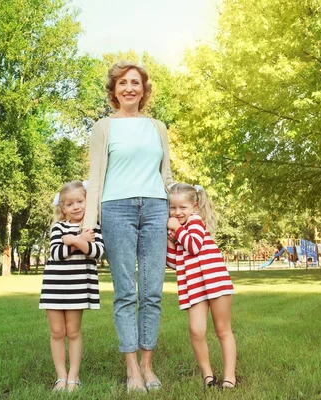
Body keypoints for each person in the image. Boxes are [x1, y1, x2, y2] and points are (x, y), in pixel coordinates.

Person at [82, 61, 173, 392]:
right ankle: (132, 369)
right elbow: (95, 179)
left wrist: (175, 211)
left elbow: (166, 175)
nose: (130, 88)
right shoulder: (103, 127)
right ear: (114, 90)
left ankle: (148, 366)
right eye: (123, 83)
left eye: (136, 82)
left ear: (144, 90)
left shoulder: (157, 127)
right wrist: (89, 224)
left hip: (155, 208)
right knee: (126, 292)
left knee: (151, 291)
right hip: (116, 209)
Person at [166, 183, 238, 390]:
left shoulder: (195, 222)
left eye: (182, 208)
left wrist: (177, 229)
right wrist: (170, 240)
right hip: (195, 286)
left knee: (223, 330)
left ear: (194, 207)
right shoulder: (178, 231)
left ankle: (229, 376)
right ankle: (208, 375)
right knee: (196, 330)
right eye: (173, 208)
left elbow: (194, 246)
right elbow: (172, 262)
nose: (177, 212)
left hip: (216, 282)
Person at [39, 180, 104, 392]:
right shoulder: (58, 227)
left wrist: (74, 241)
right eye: (69, 204)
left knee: (73, 332)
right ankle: (61, 377)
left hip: (78, 287)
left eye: (80, 201)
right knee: (57, 332)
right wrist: (79, 241)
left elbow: (97, 252)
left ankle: (74, 377)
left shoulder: (93, 227)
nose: (76, 207)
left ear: (88, 201)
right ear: (63, 208)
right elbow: (56, 254)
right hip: (55, 286)